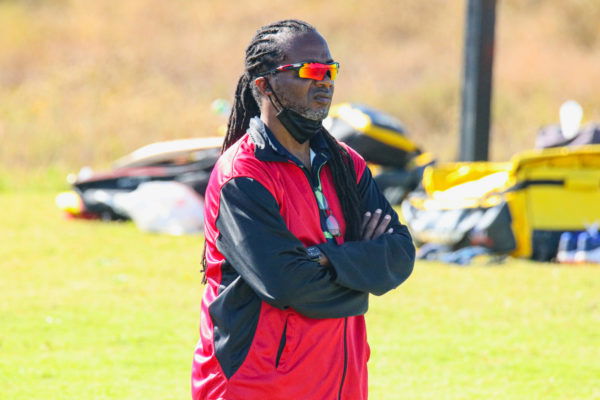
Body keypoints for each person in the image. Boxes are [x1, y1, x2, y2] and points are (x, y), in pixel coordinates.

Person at [191, 19, 415, 400]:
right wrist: (362, 277)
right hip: (255, 385)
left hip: (340, 383)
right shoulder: (243, 175)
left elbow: (400, 255)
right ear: (264, 84)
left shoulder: (347, 164)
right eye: (311, 70)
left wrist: (323, 259)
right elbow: (287, 284)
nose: (324, 81)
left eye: (331, 70)